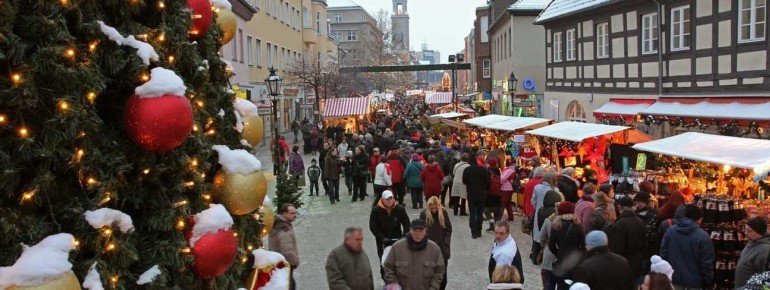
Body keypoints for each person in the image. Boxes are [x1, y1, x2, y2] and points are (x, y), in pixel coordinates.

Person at [660, 204, 715, 290]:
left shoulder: (670, 231)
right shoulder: (703, 236)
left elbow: (664, 253)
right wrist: (708, 281)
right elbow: (706, 262)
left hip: (673, 278)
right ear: (698, 218)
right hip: (695, 282)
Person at [383, 218, 445, 290]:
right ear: (410, 230)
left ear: (425, 231)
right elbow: (388, 269)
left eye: (421, 231)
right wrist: (396, 288)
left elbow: (439, 272)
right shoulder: (397, 247)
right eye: (415, 231)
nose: (417, 234)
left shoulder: (435, 249)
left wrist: (433, 288)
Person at [571, 230, 635, 290]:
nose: (585, 246)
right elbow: (630, 285)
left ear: (590, 245)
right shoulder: (623, 261)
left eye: (586, 244)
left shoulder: (585, 267)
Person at [604, 196, 647, 278]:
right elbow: (645, 243)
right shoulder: (640, 221)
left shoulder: (619, 225)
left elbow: (617, 249)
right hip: (638, 262)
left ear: (620, 207)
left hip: (625, 264)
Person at [369, 190, 410, 271]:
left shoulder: (399, 209)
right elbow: (373, 226)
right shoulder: (376, 210)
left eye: (391, 198)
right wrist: (382, 238)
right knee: (384, 260)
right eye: (387, 199)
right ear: (383, 199)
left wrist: (404, 236)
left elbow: (407, 224)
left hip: (397, 238)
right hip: (382, 240)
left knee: (399, 260)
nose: (389, 201)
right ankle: (384, 277)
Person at [548, 201, 584, 290]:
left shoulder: (556, 226)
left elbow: (551, 245)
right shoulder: (578, 225)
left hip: (561, 259)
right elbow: (583, 245)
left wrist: (558, 253)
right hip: (575, 261)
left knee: (561, 284)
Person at [420, 196, 453, 290]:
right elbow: (420, 229)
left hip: (442, 248)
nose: (433, 210)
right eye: (431, 208)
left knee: (443, 276)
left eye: (435, 208)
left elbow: (449, 228)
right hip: (428, 249)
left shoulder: (443, 213)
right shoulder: (424, 214)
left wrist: (446, 241)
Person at [269, 203, 299, 290]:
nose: (295, 215)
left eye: (295, 213)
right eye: (292, 213)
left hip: (281, 263)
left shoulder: (279, 224)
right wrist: (294, 262)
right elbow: (286, 249)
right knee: (289, 285)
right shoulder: (283, 228)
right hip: (286, 263)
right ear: (284, 214)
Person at [532, 170, 559, 264]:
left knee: (538, 235)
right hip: (552, 215)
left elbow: (533, 201)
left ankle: (535, 257)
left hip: (539, 213)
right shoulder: (556, 190)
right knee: (548, 235)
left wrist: (537, 208)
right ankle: (546, 258)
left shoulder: (537, 188)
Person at [735, 217, 770, 288]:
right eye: (745, 229)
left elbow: (765, 279)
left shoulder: (765, 250)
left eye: (749, 231)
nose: (745, 233)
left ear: (759, 232)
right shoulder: (752, 241)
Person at [463, 153, 491, 239]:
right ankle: (479, 230)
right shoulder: (484, 170)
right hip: (481, 193)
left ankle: (473, 232)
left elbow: (464, 181)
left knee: (473, 212)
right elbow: (488, 182)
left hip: (471, 193)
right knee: (479, 213)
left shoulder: (467, 169)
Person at [634, 191, 660, 262]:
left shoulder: (654, 213)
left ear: (646, 202)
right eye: (636, 202)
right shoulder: (634, 213)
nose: (637, 205)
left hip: (650, 245)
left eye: (640, 202)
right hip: (638, 245)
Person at [485, 158, 504, 232]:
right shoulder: (498, 170)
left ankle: (491, 224)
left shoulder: (487, 170)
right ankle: (496, 226)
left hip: (489, 194)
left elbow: (486, 182)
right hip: (498, 194)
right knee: (497, 211)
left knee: (486, 210)